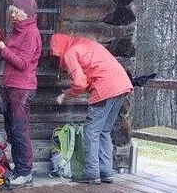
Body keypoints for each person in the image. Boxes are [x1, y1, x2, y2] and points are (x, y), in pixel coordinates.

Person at [48, 33, 133, 185]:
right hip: (122, 86)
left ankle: (92, 173)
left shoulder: (70, 52)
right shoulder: (86, 44)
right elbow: (90, 74)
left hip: (105, 89)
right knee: (104, 131)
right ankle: (106, 171)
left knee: (91, 131)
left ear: (58, 49)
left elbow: (80, 83)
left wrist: (65, 96)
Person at [0, 0, 41, 187]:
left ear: (25, 13)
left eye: (15, 12)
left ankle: (25, 172)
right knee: (12, 130)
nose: (12, 15)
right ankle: (19, 170)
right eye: (12, 11)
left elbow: (22, 63)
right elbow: (7, 56)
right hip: (10, 86)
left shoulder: (31, 33)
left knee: (19, 131)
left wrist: (3, 49)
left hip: (23, 87)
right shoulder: (16, 31)